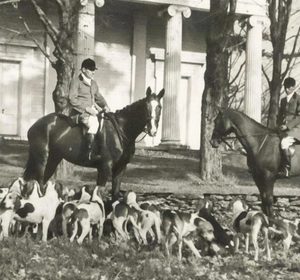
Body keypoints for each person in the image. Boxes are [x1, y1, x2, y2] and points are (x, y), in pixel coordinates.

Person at [69, 58, 110, 161]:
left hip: (93, 111)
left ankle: (102, 149)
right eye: (91, 69)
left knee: (106, 121)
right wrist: (87, 109)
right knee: (94, 123)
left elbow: (98, 97)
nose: (93, 72)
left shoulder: (94, 83)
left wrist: (105, 105)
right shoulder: (76, 82)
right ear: (83, 70)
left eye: (94, 69)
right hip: (80, 113)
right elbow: (72, 99)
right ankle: (87, 152)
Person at [277, 77, 300, 177]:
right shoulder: (283, 100)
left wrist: (287, 126)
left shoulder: (298, 99)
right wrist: (277, 126)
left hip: (296, 129)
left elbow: (299, 117)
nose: (287, 90)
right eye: (286, 87)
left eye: (289, 87)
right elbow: (280, 115)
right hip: (283, 129)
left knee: (284, 143)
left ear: (294, 87)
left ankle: (286, 167)